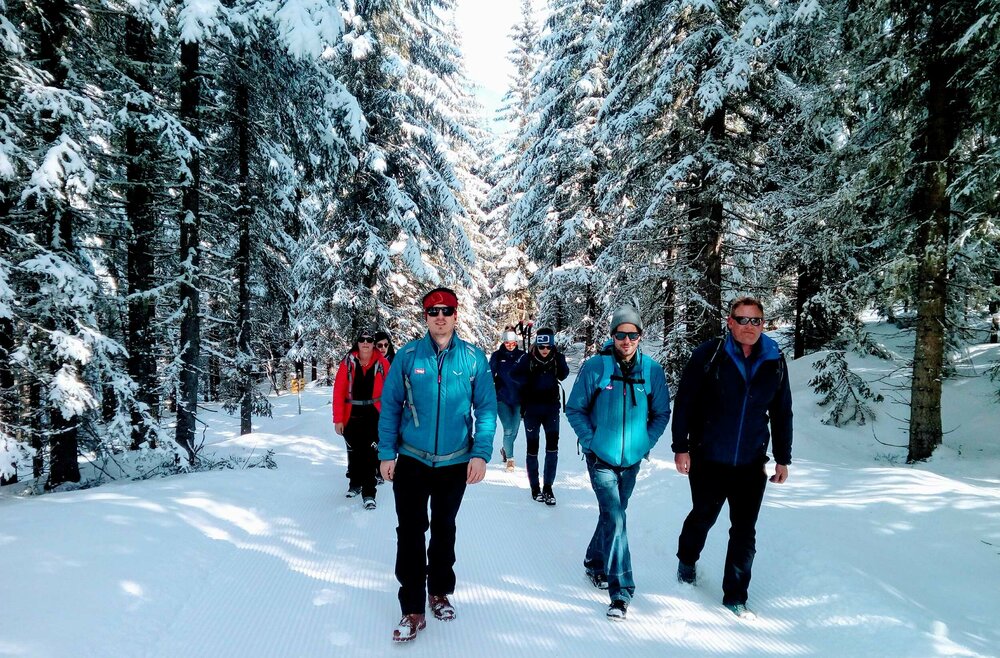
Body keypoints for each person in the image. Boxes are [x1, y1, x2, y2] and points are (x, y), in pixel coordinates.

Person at [378, 287, 498, 643]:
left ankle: (439, 591)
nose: (440, 316)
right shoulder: (408, 356)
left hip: (455, 461)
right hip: (412, 459)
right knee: (411, 531)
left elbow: (487, 410)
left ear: (456, 316)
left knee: (444, 528)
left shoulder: (473, 359)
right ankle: (412, 608)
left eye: (446, 310)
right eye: (433, 311)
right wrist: (387, 452)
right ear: (426, 317)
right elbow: (391, 406)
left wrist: (481, 453)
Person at [671, 296, 792, 620]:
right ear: (730, 322)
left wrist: (782, 458)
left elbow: (781, 412)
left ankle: (735, 596)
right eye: (743, 319)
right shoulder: (709, 355)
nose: (749, 326)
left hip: (751, 463)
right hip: (708, 458)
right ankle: (687, 559)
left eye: (756, 321)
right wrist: (680, 447)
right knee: (703, 516)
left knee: (744, 531)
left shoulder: (774, 360)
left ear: (762, 324)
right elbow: (684, 402)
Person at [565, 305, 671, 621]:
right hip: (601, 458)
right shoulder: (596, 367)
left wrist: (644, 443)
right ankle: (621, 592)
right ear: (612, 336)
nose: (626, 340)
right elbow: (575, 409)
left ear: (640, 336)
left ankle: (594, 560)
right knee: (616, 516)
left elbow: (661, 413)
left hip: (632, 460)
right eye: (621, 334)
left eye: (632, 334)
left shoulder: (652, 371)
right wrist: (591, 441)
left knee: (614, 515)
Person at [333, 327, 390, 510]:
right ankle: (354, 484)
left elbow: (391, 392)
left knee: (370, 455)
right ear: (357, 343)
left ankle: (369, 494)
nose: (366, 343)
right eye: (362, 339)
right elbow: (338, 391)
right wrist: (338, 419)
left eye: (369, 340)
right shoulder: (348, 363)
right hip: (352, 414)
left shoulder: (382, 364)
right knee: (355, 453)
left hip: (374, 414)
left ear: (373, 344)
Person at [510, 327, 569, 504]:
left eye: (548, 347)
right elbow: (513, 374)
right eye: (542, 346)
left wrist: (559, 359)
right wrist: (526, 382)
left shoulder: (556, 358)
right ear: (537, 344)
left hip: (551, 410)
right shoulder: (527, 358)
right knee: (533, 449)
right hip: (532, 411)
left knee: (552, 449)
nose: (545, 350)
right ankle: (535, 488)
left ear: (553, 346)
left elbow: (564, 375)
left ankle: (548, 488)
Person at [489, 329, 525, 471]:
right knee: (508, 429)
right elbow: (489, 375)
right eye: (507, 343)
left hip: (519, 399)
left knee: (515, 430)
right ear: (503, 342)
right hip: (502, 398)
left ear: (516, 342)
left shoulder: (522, 356)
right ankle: (510, 459)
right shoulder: (497, 356)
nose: (510, 346)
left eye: (512, 343)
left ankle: (505, 448)